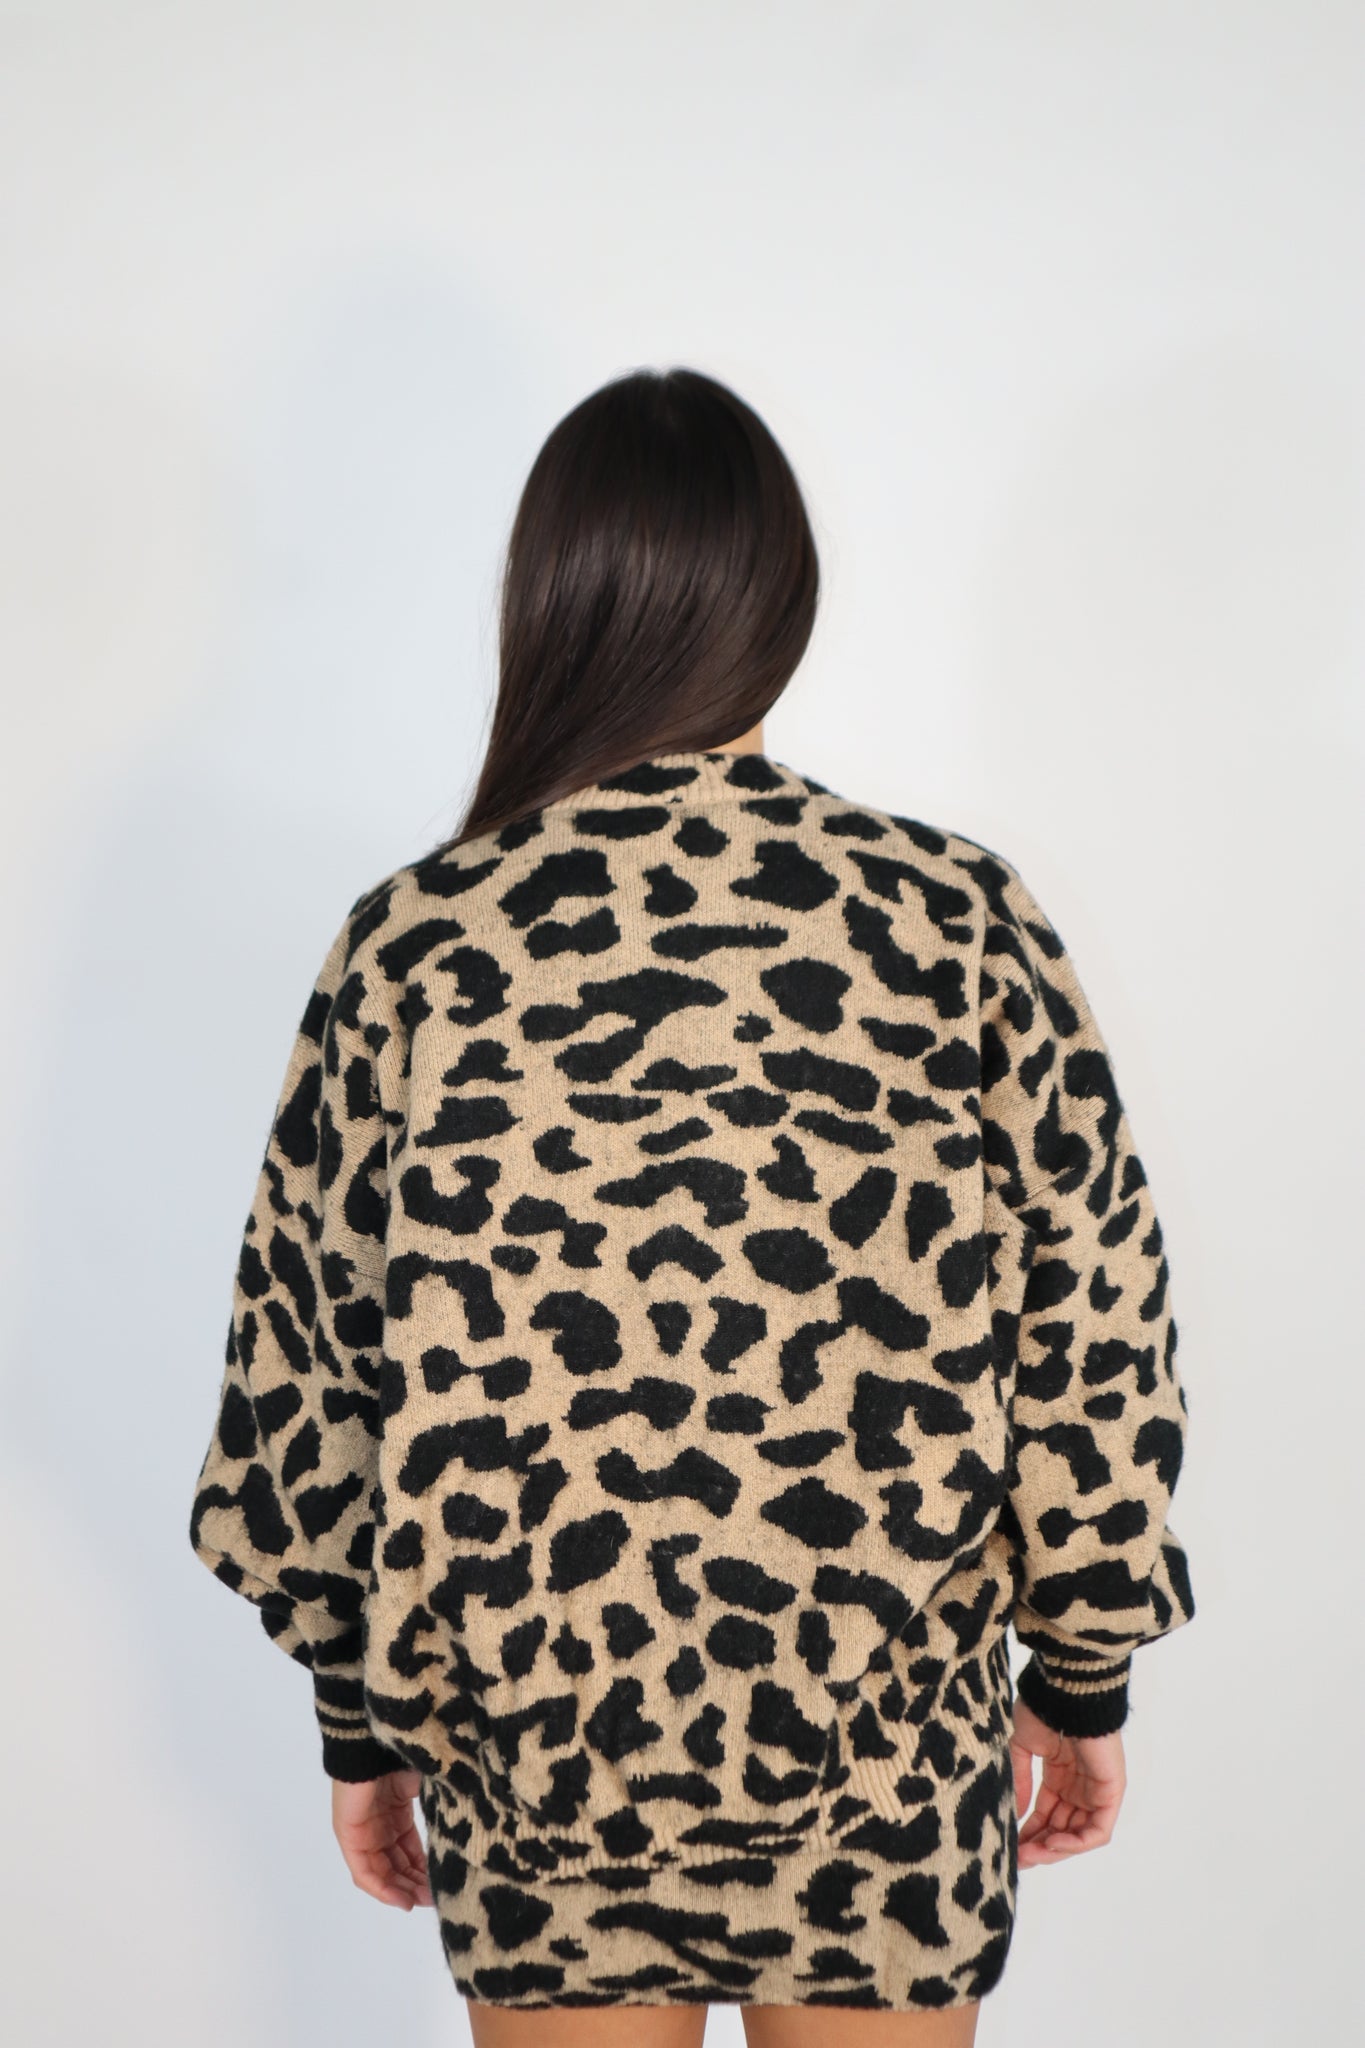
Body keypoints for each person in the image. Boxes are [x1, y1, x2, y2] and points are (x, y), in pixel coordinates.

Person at [189, 367, 1196, 2046]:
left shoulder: (419, 945)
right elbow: (1093, 1329)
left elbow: (311, 1376)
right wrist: (1080, 1672)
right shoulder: (951, 920)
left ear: (553, 603)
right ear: (778, 606)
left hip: (539, 1766)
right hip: (883, 1767)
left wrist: (361, 1723)